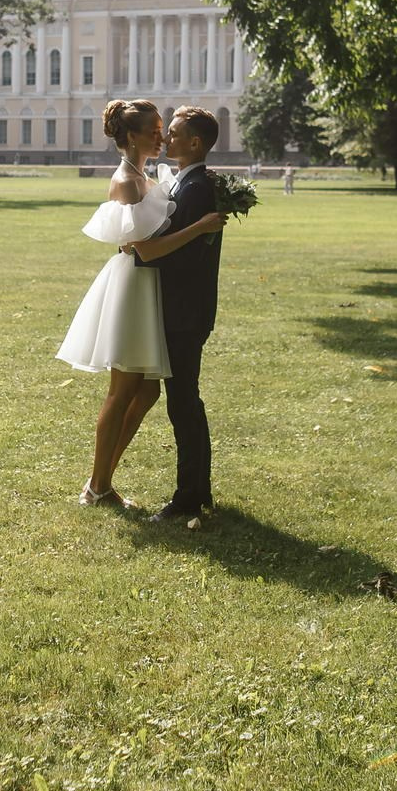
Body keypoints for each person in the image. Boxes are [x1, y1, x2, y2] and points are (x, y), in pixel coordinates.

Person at [55, 100, 172, 508]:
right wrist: (197, 230)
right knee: (122, 391)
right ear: (133, 135)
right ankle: (98, 486)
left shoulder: (145, 175)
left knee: (148, 392)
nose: (162, 135)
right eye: (155, 130)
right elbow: (142, 247)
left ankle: (99, 479)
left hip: (146, 285)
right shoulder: (126, 180)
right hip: (133, 284)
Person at [130, 106, 229, 526]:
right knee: (185, 401)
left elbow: (175, 253)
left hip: (184, 311)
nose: (166, 139)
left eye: (173, 133)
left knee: (184, 403)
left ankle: (188, 497)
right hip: (185, 308)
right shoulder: (189, 183)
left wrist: (137, 250)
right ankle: (197, 490)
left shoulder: (197, 189)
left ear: (195, 143)